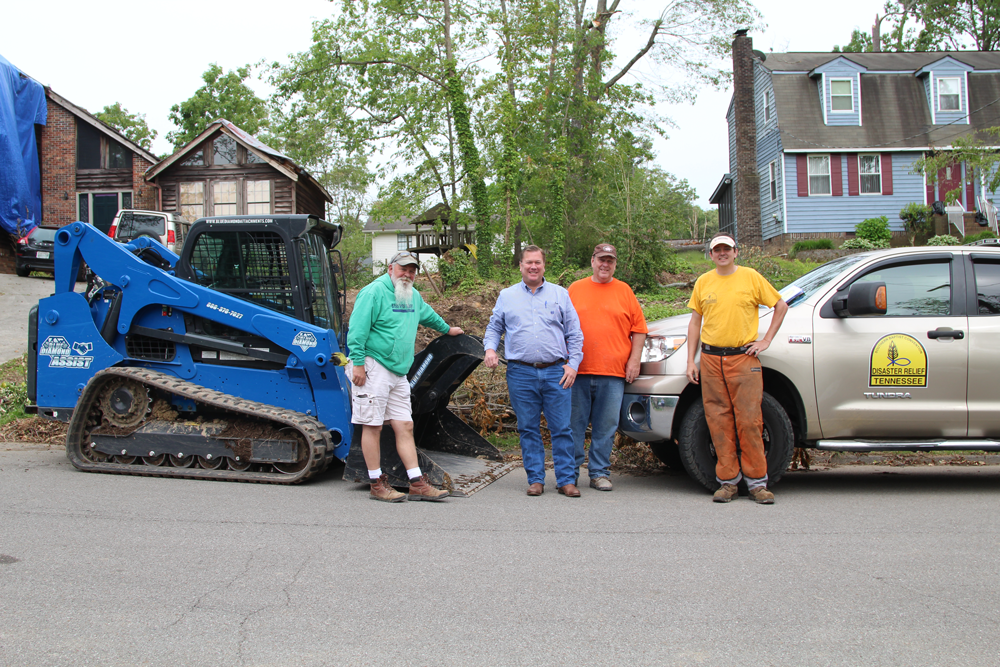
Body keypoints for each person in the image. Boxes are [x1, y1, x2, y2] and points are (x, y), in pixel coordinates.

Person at [347, 250, 464, 503]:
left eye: (412, 271)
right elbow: (356, 330)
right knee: (373, 425)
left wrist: (447, 329)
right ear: (390, 268)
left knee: (405, 425)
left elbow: (428, 315)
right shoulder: (373, 292)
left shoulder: (412, 295)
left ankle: (417, 483)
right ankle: (376, 483)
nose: (407, 274)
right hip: (373, 365)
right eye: (403, 269)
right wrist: (357, 364)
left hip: (399, 371)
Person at [686, 233, 788, 504]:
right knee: (717, 421)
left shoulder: (751, 277)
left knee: (750, 421)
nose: (722, 253)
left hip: (743, 358)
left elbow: (781, 306)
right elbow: (695, 322)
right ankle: (728, 483)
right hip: (711, 360)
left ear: (736, 252)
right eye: (717, 250)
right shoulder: (703, 282)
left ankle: (757, 484)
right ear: (710, 254)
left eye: (727, 249)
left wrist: (766, 340)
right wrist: (690, 361)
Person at [484, 245, 584, 497]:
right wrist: (490, 349)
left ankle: (566, 480)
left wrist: (573, 364)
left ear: (543, 265)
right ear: (520, 265)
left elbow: (574, 333)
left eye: (537, 262)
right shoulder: (507, 296)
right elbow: (494, 327)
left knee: (561, 428)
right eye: (528, 262)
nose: (533, 266)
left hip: (556, 372)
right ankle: (536, 479)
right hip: (521, 373)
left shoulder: (560, 294)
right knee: (528, 428)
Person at [568, 243, 647, 491]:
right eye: (601, 259)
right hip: (577, 371)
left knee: (606, 426)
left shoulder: (624, 291)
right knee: (574, 426)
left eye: (610, 261)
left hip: (613, 373)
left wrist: (634, 360)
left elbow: (639, 329)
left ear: (615, 264)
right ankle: (569, 474)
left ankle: (599, 472)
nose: (605, 264)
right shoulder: (575, 289)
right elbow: (559, 325)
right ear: (592, 261)